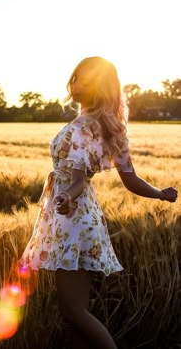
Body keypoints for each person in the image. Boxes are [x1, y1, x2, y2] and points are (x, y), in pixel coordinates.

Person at [19, 56, 178, 349]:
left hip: (71, 217)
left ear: (98, 88)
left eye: (84, 80)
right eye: (76, 77)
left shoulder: (82, 128)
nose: (76, 83)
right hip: (81, 215)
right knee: (75, 314)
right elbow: (131, 180)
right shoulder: (110, 127)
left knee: (74, 311)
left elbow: (77, 179)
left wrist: (67, 196)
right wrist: (160, 193)